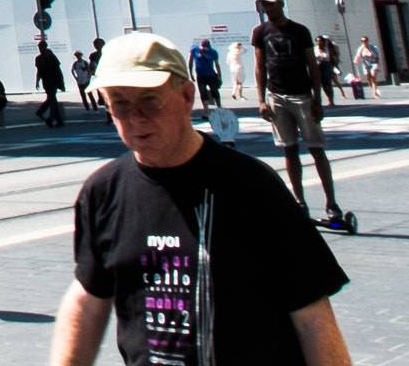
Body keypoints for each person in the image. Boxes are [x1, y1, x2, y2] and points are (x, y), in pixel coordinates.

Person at [48, 34, 350, 366]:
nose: (135, 117)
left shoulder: (252, 185)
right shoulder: (103, 191)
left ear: (187, 96)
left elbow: (312, 315)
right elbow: (88, 300)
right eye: (119, 102)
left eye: (149, 100)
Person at [253, 0, 344, 222]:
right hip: (277, 96)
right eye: (264, 5)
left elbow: (312, 65)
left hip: (302, 95)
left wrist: (317, 98)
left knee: (316, 148)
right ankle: (299, 202)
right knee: (289, 149)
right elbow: (260, 66)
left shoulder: (299, 31)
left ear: (281, 5)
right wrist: (261, 99)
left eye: (271, 5)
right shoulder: (260, 32)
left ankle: (331, 203)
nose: (267, 9)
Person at [34, 42, 67, 127]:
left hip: (53, 80)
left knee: (52, 99)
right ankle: (54, 119)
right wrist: (37, 81)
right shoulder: (39, 58)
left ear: (45, 47)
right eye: (40, 47)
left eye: (42, 47)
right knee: (52, 99)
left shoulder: (51, 56)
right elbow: (39, 71)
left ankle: (51, 117)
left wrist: (62, 83)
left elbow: (58, 70)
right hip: (47, 81)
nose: (41, 49)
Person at [188, 38, 223, 109]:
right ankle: (206, 111)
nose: (205, 49)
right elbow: (190, 61)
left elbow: (217, 64)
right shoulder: (194, 50)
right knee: (203, 92)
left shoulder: (213, 52)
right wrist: (191, 73)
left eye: (207, 48)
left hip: (211, 75)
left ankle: (219, 107)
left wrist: (219, 75)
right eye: (203, 48)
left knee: (214, 91)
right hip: (200, 76)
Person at [352, 35, 382, 99]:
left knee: (373, 77)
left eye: (365, 41)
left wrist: (378, 65)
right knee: (368, 79)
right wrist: (355, 60)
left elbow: (377, 57)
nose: (364, 42)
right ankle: (373, 90)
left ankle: (375, 93)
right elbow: (357, 56)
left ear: (367, 41)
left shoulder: (373, 47)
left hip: (374, 63)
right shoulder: (360, 49)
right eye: (362, 41)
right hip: (366, 65)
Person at [314, 35, 339, 106]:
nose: (319, 42)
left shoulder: (327, 49)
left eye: (320, 41)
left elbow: (328, 57)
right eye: (317, 41)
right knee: (323, 84)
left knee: (328, 83)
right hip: (318, 66)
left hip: (327, 66)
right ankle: (328, 97)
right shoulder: (315, 49)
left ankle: (331, 100)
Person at [226, 36, 249, 104]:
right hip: (239, 68)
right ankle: (241, 96)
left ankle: (233, 93)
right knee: (240, 83)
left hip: (232, 69)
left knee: (235, 82)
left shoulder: (229, 53)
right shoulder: (238, 52)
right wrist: (242, 47)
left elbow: (227, 62)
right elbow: (246, 50)